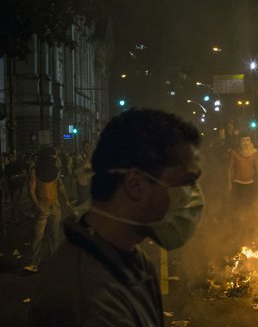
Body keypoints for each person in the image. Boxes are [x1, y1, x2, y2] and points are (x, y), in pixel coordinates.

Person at [27, 109, 204, 326]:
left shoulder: (133, 259)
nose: (194, 197)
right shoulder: (90, 296)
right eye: (185, 183)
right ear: (135, 185)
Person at [24, 147, 71, 273]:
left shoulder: (55, 170)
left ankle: (53, 262)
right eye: (54, 157)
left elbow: (60, 186)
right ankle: (34, 263)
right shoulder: (34, 171)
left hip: (54, 205)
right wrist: (38, 208)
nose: (56, 159)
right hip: (42, 205)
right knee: (37, 236)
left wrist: (66, 200)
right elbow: (31, 190)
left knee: (55, 235)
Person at [227, 132, 258, 210]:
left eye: (247, 140)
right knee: (237, 207)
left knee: (249, 207)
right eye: (243, 141)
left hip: (250, 183)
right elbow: (229, 169)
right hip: (237, 183)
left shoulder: (254, 153)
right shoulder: (234, 152)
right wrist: (229, 184)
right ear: (239, 142)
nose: (246, 143)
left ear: (250, 141)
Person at [74, 140, 93, 206]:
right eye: (86, 146)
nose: (87, 148)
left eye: (88, 146)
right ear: (83, 147)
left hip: (90, 182)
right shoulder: (79, 156)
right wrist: (87, 157)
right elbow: (80, 166)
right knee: (83, 201)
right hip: (82, 182)